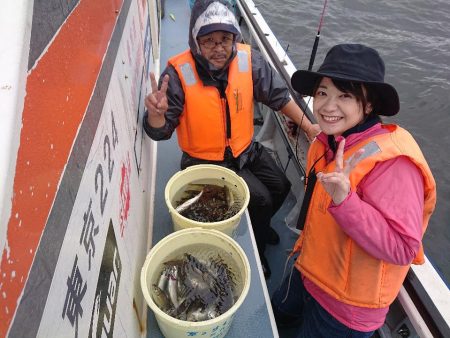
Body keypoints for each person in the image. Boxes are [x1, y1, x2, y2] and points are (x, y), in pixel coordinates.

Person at [143, 0, 320, 278]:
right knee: (259, 200)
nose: (218, 48)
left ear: (235, 39)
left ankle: (261, 226)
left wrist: (308, 126)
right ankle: (257, 253)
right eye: (209, 40)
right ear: (195, 42)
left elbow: (278, 97)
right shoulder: (177, 74)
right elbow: (159, 131)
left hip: (245, 150)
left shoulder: (249, 61)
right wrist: (156, 114)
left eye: (225, 39)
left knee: (282, 186)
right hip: (204, 161)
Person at [271, 44, 436, 337]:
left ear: (369, 104)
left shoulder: (395, 164)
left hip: (343, 310)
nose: (327, 106)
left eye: (344, 95)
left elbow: (403, 248)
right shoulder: (333, 140)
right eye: (322, 93)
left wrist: (346, 201)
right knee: (277, 316)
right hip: (310, 268)